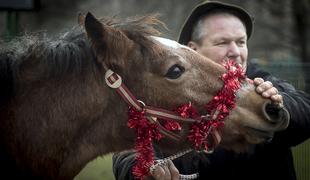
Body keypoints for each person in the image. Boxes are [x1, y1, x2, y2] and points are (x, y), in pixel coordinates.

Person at [112, 1, 310, 180]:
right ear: (192, 49)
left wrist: (276, 105)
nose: (235, 51)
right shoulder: (168, 94)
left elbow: (305, 113)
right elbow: (129, 148)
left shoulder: (260, 82)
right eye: (222, 42)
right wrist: (144, 169)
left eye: (241, 42)